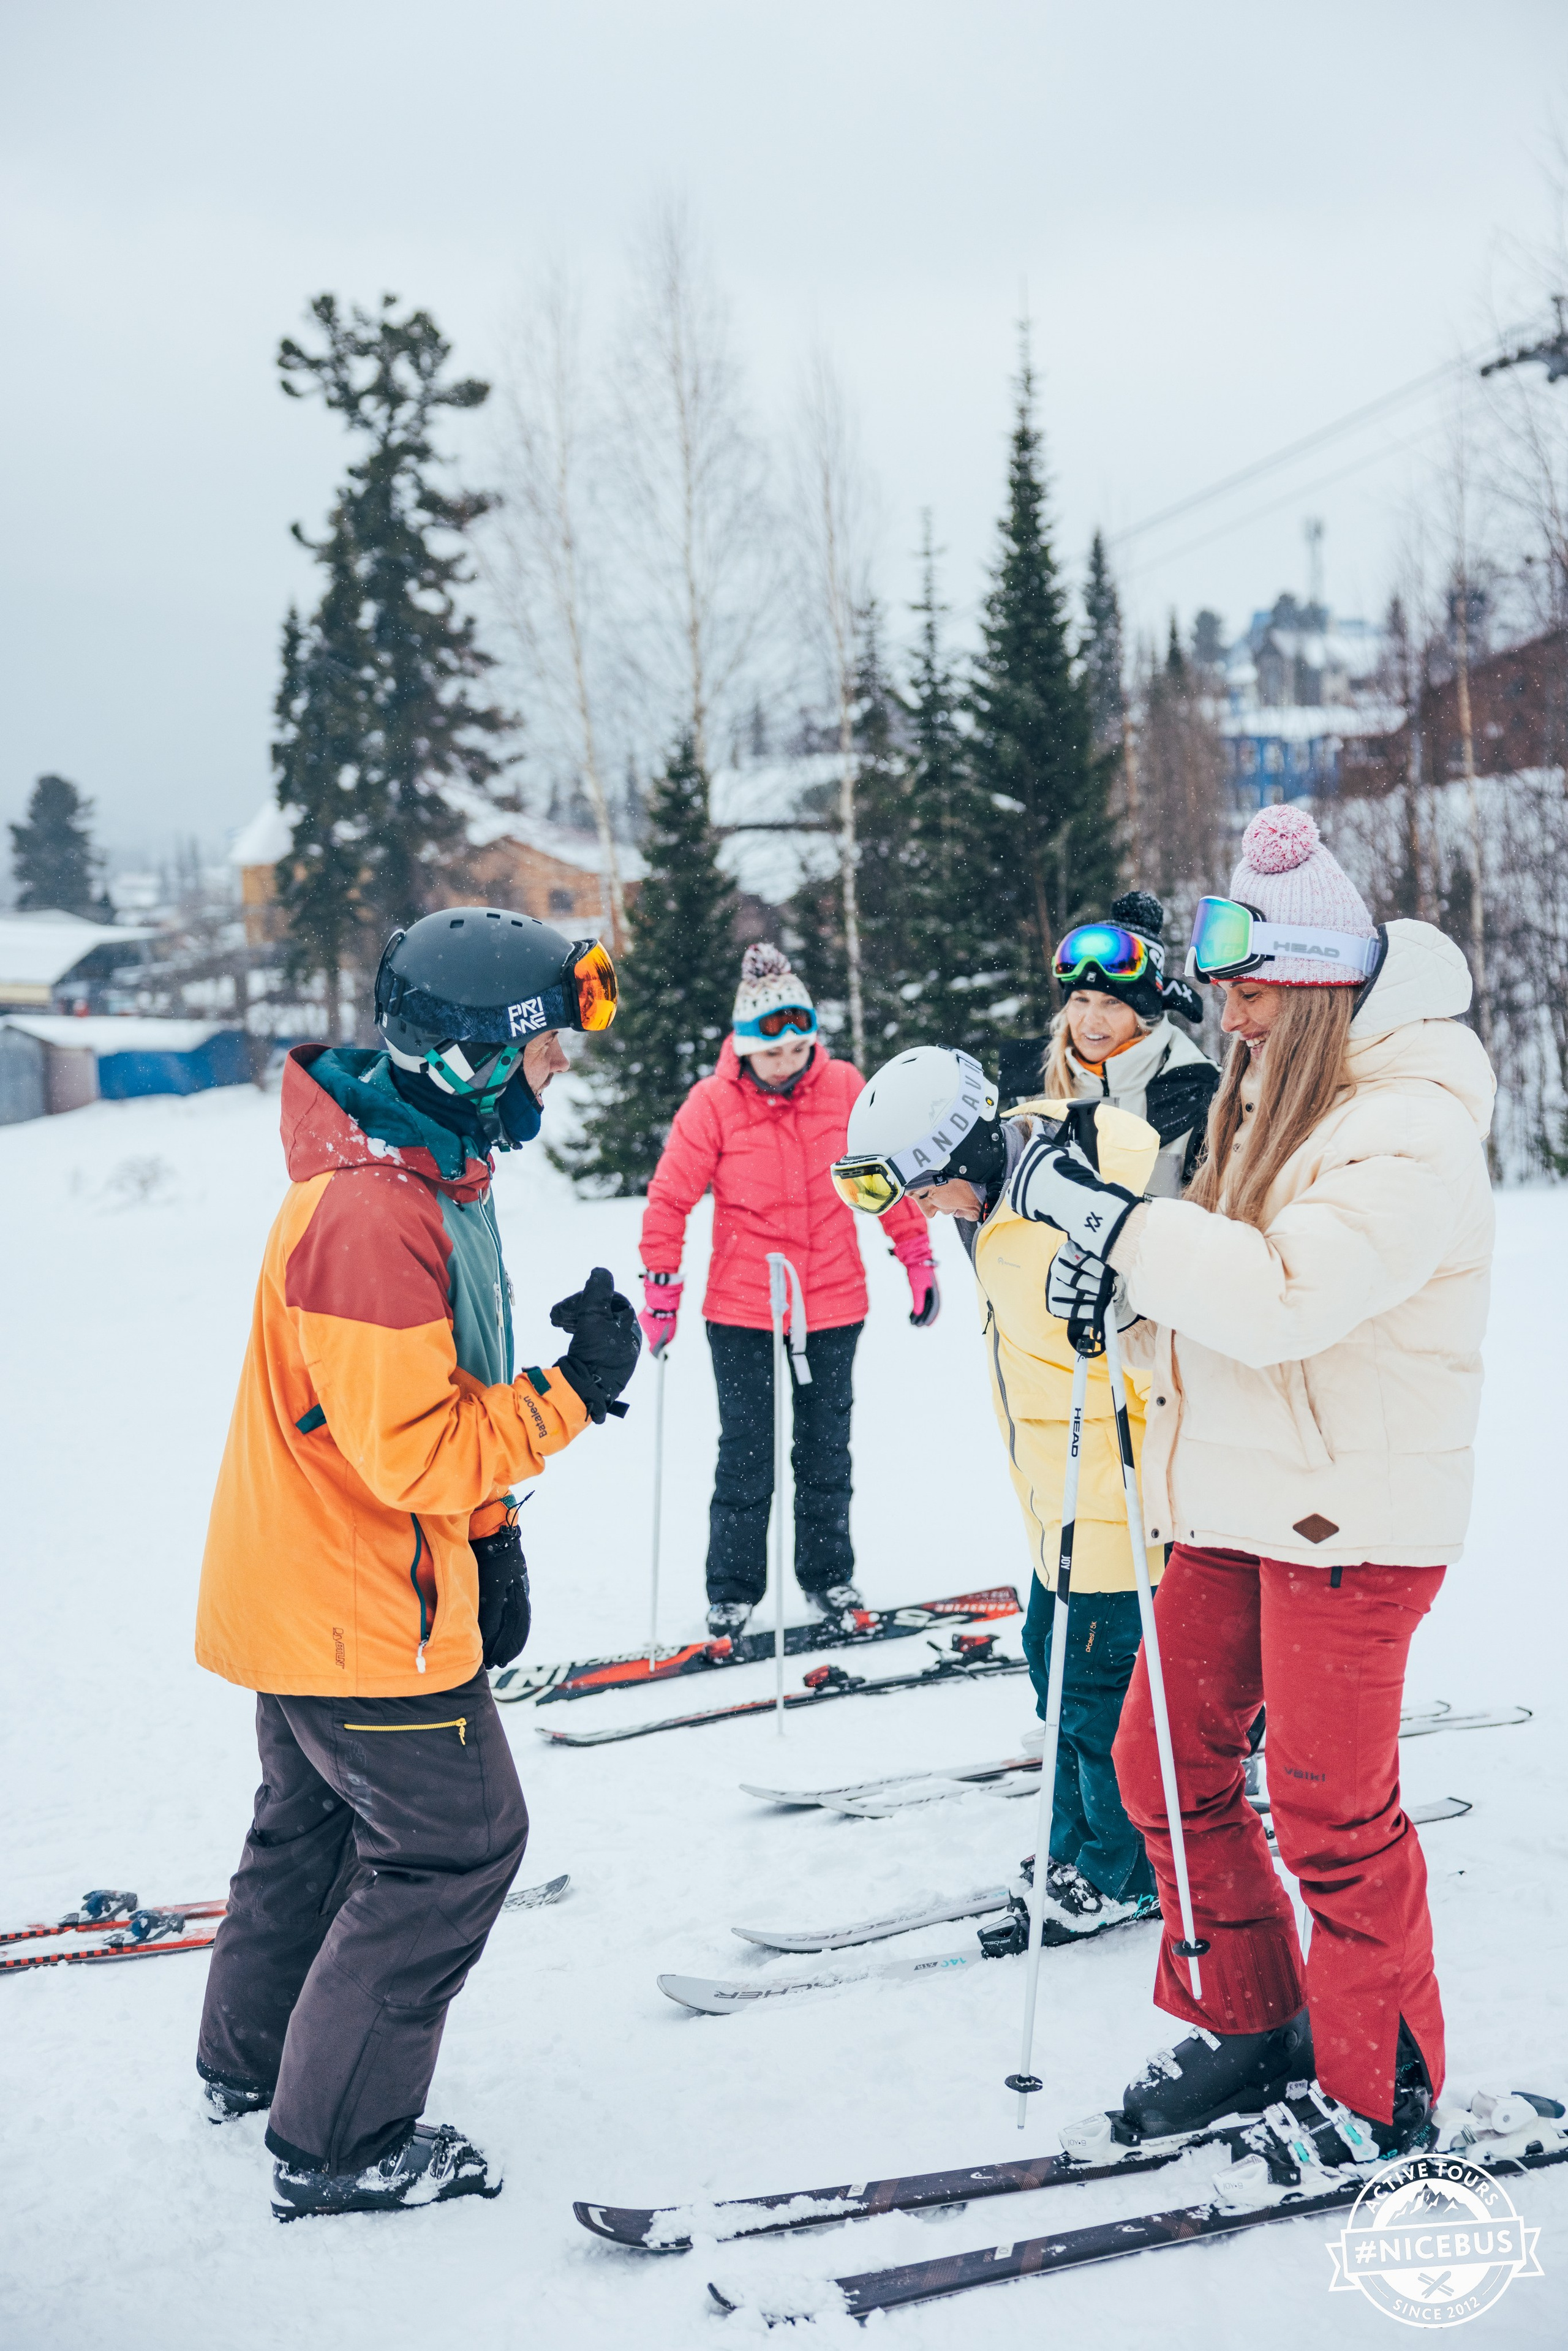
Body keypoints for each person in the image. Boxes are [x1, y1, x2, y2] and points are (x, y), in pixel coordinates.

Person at [1009, 805, 1494, 2175]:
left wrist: (1121, 1227)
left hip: (1349, 1513)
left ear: (1322, 987)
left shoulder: (1407, 1129)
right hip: (1229, 1497)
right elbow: (1210, 1304)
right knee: (1158, 1762)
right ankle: (1251, 2017)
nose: (1228, 1021)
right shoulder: (1262, 1106)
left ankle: (1376, 2083)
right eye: (1224, 997)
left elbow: (1284, 1299)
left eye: (1252, 995)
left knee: (1332, 1810)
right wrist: (1121, 1296)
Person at [193, 908, 642, 2222]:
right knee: (454, 1845)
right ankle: (337, 2140)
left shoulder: (418, 1172)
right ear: (468, 1058)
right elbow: (411, 1452)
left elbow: (411, 1416)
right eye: (545, 1046)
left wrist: (493, 1535)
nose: (558, 1068)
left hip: (317, 1588)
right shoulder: (372, 1213)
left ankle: (254, 2065)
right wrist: (574, 1392)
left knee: (314, 1825)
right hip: (358, 1607)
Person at [833, 965, 1213, 1941]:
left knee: (1097, 1703)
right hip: (1056, 1500)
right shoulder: (996, 1197)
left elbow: (1161, 1341)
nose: (921, 1211)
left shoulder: (1056, 1213)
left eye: (923, 1189)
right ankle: (1073, 1837)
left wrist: (1116, 1310)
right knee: (1052, 1672)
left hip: (1116, 1501)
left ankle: (1118, 1868)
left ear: (960, 1154)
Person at [638, 943, 938, 1638]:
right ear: (743, 1048)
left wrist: (915, 1252)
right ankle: (733, 1589)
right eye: (769, 1052)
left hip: (833, 1302)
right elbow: (669, 1199)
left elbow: (881, 1177)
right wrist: (661, 1287)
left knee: (825, 1453)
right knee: (746, 1456)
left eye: (796, 1048)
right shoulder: (711, 1104)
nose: (783, 1062)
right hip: (742, 1308)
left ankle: (829, 1577)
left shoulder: (843, 1089)